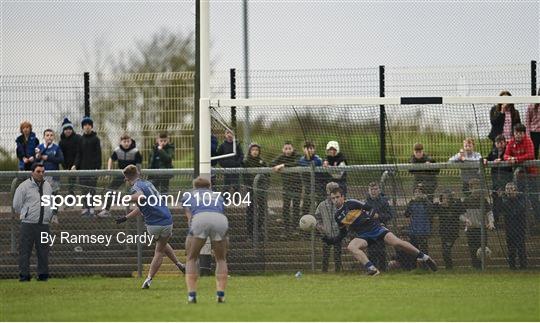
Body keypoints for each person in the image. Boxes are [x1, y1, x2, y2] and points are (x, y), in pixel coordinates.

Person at [328, 186, 437, 276]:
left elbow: (370, 209)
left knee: (397, 243)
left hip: (376, 228)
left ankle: (424, 257)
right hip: (364, 235)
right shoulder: (337, 216)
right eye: (333, 198)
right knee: (351, 247)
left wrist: (367, 219)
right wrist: (333, 240)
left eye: (337, 197)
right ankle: (372, 270)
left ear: (343, 196)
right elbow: (343, 232)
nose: (335, 200)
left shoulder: (351, 203)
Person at [115, 165, 185, 289]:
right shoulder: (148, 183)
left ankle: (148, 279)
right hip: (167, 220)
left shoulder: (135, 187)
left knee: (159, 250)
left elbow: (140, 197)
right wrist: (126, 218)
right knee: (162, 244)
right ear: (139, 174)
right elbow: (141, 207)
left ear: (126, 178)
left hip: (153, 224)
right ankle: (179, 264)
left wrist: (125, 198)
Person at [181, 176, 228, 303]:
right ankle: (221, 295)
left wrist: (191, 235)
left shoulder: (188, 195)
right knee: (221, 259)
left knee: (191, 258)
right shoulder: (218, 196)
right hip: (219, 219)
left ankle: (192, 295)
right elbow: (221, 210)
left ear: (194, 187)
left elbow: (189, 217)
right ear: (209, 186)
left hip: (199, 218)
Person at [12, 163, 53, 281]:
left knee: (43, 251)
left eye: (43, 172)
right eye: (38, 171)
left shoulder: (48, 186)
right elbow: (17, 205)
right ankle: (24, 276)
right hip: (28, 224)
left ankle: (43, 275)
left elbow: (50, 202)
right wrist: (27, 214)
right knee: (25, 251)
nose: (41, 174)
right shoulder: (23, 186)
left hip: (44, 224)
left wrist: (49, 215)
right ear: (32, 172)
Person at [99, 134, 143, 218]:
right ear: (121, 142)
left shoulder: (135, 151)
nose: (126, 143)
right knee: (110, 190)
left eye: (128, 141)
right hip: (121, 174)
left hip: (132, 176)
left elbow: (138, 166)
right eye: (124, 141)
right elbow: (111, 159)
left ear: (130, 141)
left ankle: (142, 211)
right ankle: (106, 210)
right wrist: (109, 170)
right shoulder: (117, 150)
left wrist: (137, 177)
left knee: (139, 193)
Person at [504, 123, 540, 221]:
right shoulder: (511, 142)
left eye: (521, 133)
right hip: (520, 177)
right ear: (514, 133)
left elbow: (531, 155)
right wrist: (510, 158)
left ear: (524, 133)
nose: (518, 135)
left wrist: (516, 159)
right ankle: (523, 220)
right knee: (520, 197)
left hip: (532, 175)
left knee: (534, 198)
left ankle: (537, 220)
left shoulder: (528, 141)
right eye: (516, 133)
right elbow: (505, 155)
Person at [460, 178, 495, 269]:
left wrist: (491, 222)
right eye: (474, 188)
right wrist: (466, 220)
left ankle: (483, 266)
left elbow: (489, 213)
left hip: (481, 229)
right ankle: (475, 267)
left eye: (478, 188)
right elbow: (460, 215)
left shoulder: (483, 201)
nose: (476, 190)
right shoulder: (466, 201)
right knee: (473, 249)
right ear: (470, 189)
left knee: (482, 248)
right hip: (471, 229)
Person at [73, 116, 102, 217]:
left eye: (89, 125)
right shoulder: (81, 140)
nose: (87, 127)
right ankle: (85, 208)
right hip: (82, 169)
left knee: (92, 189)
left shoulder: (96, 139)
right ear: (82, 127)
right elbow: (78, 154)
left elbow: (98, 155)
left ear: (92, 126)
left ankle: (92, 209)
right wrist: (75, 165)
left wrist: (97, 168)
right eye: (85, 125)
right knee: (84, 189)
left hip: (93, 169)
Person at [365, 182, 396, 271]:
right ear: (369, 190)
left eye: (375, 189)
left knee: (381, 250)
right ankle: (372, 269)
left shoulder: (384, 201)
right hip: (369, 229)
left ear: (379, 190)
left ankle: (383, 269)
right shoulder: (366, 202)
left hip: (381, 228)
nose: (373, 191)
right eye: (371, 189)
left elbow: (390, 215)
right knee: (371, 251)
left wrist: (379, 216)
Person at [271, 141, 301, 233]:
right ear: (283, 150)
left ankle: (295, 227)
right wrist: (277, 166)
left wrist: (283, 165)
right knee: (286, 207)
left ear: (293, 149)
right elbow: (272, 163)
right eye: (286, 149)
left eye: (289, 148)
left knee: (296, 206)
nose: (288, 151)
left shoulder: (297, 156)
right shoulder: (281, 157)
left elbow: (297, 162)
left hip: (297, 185)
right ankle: (287, 228)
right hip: (286, 186)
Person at [243, 143, 269, 243]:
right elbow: (244, 177)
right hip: (250, 191)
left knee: (262, 211)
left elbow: (267, 175)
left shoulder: (262, 162)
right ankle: (250, 233)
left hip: (261, 191)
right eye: (253, 150)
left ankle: (258, 229)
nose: (255, 152)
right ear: (250, 151)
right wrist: (250, 187)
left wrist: (264, 187)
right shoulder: (246, 162)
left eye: (257, 150)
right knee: (250, 211)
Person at [484, 134, 513, 226]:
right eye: (497, 143)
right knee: (496, 201)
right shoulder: (493, 151)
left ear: (504, 143)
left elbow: (508, 159)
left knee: (506, 200)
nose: (499, 145)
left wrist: (500, 160)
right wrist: (486, 160)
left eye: (501, 143)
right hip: (495, 180)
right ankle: (495, 221)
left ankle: (508, 221)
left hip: (505, 180)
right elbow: (488, 158)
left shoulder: (507, 150)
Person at [433, 189, 465, 269]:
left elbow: (462, 210)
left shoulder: (455, 206)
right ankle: (449, 267)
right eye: (443, 198)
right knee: (445, 251)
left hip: (452, 232)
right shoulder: (440, 208)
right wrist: (438, 203)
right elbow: (431, 209)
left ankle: (449, 267)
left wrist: (456, 198)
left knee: (446, 250)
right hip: (443, 232)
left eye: (447, 198)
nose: (445, 200)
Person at [315, 182, 343, 272]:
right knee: (325, 255)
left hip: (338, 234)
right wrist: (320, 227)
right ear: (327, 192)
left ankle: (338, 272)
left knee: (337, 255)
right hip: (326, 234)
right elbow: (317, 218)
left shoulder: (342, 204)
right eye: (330, 190)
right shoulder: (322, 205)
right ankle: (324, 272)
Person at [501, 182, 528, 269]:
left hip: (519, 228)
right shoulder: (505, 202)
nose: (508, 191)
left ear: (516, 191)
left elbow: (518, 210)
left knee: (521, 247)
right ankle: (512, 266)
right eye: (507, 189)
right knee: (511, 248)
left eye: (510, 189)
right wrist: (499, 198)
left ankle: (523, 266)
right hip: (509, 228)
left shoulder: (521, 200)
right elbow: (500, 210)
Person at [404, 184, 433, 256]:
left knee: (424, 249)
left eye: (419, 192)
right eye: (416, 192)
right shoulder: (412, 202)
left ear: (423, 193)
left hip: (423, 230)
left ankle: (425, 264)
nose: (417, 194)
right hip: (413, 229)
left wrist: (425, 199)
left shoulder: (426, 202)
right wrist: (411, 201)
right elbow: (406, 214)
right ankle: (414, 264)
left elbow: (431, 211)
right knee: (414, 248)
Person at [299, 141, 324, 215]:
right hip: (307, 186)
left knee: (319, 203)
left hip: (318, 186)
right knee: (306, 203)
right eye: (307, 148)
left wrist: (310, 160)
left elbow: (314, 164)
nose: (309, 150)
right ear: (303, 149)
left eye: (311, 148)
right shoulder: (301, 160)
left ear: (314, 149)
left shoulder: (318, 159)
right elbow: (302, 164)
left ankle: (319, 220)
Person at [58, 118, 81, 196]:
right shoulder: (61, 142)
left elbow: (79, 152)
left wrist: (75, 165)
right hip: (68, 167)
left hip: (79, 164)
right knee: (71, 185)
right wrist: (66, 167)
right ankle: (70, 202)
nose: (68, 131)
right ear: (63, 130)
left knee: (83, 183)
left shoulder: (78, 138)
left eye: (69, 129)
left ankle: (86, 202)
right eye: (66, 129)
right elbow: (61, 156)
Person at [526, 88, 540, 158]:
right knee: (534, 152)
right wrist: (528, 135)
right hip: (534, 133)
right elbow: (527, 121)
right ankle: (534, 168)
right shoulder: (531, 106)